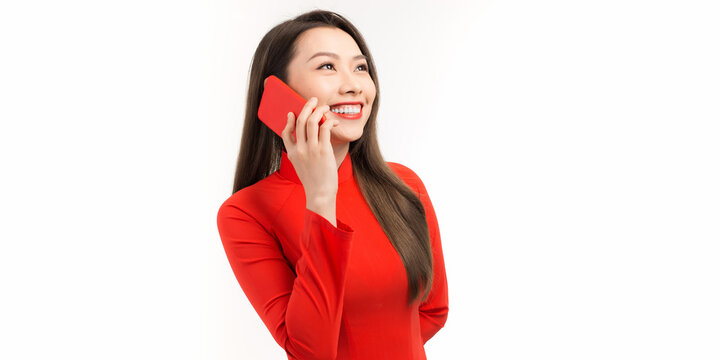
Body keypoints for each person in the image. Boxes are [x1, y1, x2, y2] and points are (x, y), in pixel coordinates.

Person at [216, 9, 449, 359]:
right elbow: (310, 351)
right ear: (278, 91)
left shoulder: (404, 185)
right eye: (327, 67)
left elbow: (433, 311)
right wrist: (321, 198)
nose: (354, 84)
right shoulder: (245, 214)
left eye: (360, 67)